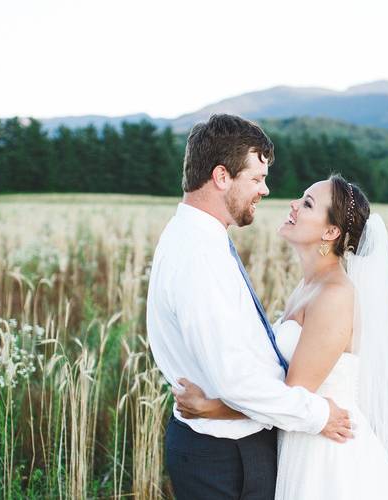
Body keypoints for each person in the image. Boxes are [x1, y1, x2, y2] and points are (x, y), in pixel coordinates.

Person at [175, 173, 388, 499]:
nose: (294, 205)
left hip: (327, 457)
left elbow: (294, 392)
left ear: (331, 231)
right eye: (301, 197)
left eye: (308, 203)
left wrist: (214, 408)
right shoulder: (308, 286)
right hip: (300, 442)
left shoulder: (334, 295)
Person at [146, 114, 353, 500]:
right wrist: (319, 415)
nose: (266, 190)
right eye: (256, 179)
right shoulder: (199, 256)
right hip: (224, 458)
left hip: (232, 447)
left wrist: (216, 408)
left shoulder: (198, 238)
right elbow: (235, 380)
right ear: (222, 177)